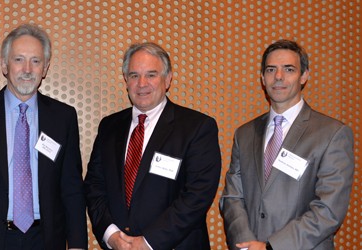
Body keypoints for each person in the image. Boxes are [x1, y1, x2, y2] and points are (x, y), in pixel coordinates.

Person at [0, 23, 87, 250]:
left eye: (36, 61)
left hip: (46, 239)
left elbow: (72, 186)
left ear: (45, 68)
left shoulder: (63, 117)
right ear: (4, 65)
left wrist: (77, 244)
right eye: (18, 59)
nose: (27, 69)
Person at [219, 39, 355, 250]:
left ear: (304, 76)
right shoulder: (244, 134)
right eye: (271, 69)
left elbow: (329, 209)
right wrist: (246, 245)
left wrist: (271, 247)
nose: (278, 77)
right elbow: (233, 197)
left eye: (289, 69)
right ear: (263, 78)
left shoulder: (332, 134)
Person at [84, 42, 222, 249]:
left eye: (151, 75)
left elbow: (197, 195)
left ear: (167, 79)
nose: (141, 83)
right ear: (126, 80)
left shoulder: (197, 127)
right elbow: (94, 186)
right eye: (134, 75)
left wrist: (148, 242)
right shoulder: (109, 127)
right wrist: (111, 235)